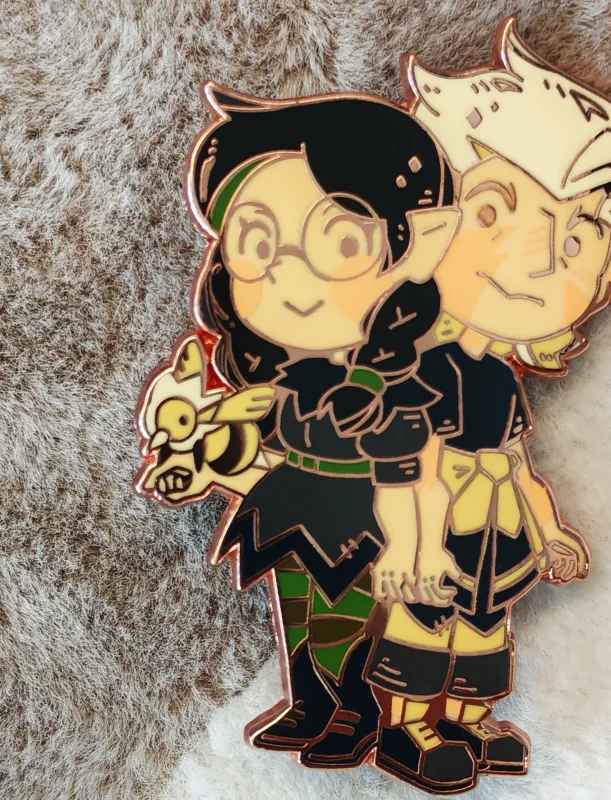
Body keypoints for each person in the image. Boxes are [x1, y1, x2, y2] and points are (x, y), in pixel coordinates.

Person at [362, 17, 611, 793]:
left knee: (483, 631)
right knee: (423, 625)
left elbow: (514, 463)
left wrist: (550, 531)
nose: (532, 260)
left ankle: (469, 721)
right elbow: (405, 460)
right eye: (493, 212)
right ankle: (406, 729)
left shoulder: (500, 380)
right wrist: (413, 542)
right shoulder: (417, 364)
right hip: (434, 527)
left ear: (608, 274)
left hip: (497, 535)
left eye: (575, 242)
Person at [136, 84, 459, 769]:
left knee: (347, 621)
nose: (286, 274)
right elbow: (255, 442)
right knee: (297, 610)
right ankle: (311, 703)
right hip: (289, 502)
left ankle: (357, 711)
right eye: (255, 242)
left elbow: (410, 467)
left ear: (417, 249)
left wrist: (412, 544)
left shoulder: (397, 385)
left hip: (361, 514)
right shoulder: (282, 380)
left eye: (340, 241)